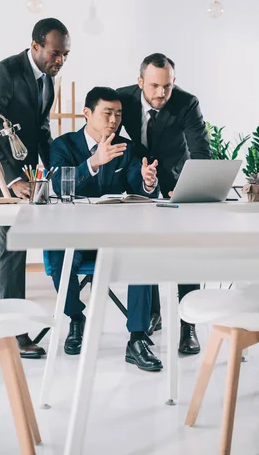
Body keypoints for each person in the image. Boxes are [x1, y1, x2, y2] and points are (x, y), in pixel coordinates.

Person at [0, 17, 70, 359]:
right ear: (36, 45)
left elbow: (41, 129)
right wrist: (13, 180)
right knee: (13, 238)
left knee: (7, 241)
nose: (60, 61)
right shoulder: (4, 73)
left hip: (19, 169)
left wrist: (52, 169)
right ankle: (12, 332)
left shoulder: (49, 82)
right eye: (56, 53)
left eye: (66, 55)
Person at [43, 86, 163, 372]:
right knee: (58, 256)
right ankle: (76, 318)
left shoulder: (128, 148)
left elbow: (140, 186)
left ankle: (136, 338)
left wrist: (147, 181)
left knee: (142, 254)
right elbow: (57, 185)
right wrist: (93, 163)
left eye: (118, 114)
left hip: (116, 238)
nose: (113, 120)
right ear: (87, 113)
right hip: (77, 237)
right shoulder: (63, 145)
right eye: (107, 113)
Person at [117, 53, 211, 356]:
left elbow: (200, 151)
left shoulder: (186, 103)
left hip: (174, 183)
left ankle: (188, 325)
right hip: (136, 182)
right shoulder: (123, 100)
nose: (161, 94)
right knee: (145, 247)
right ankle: (152, 315)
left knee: (187, 250)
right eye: (155, 86)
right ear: (140, 81)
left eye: (167, 86)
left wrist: (191, 188)